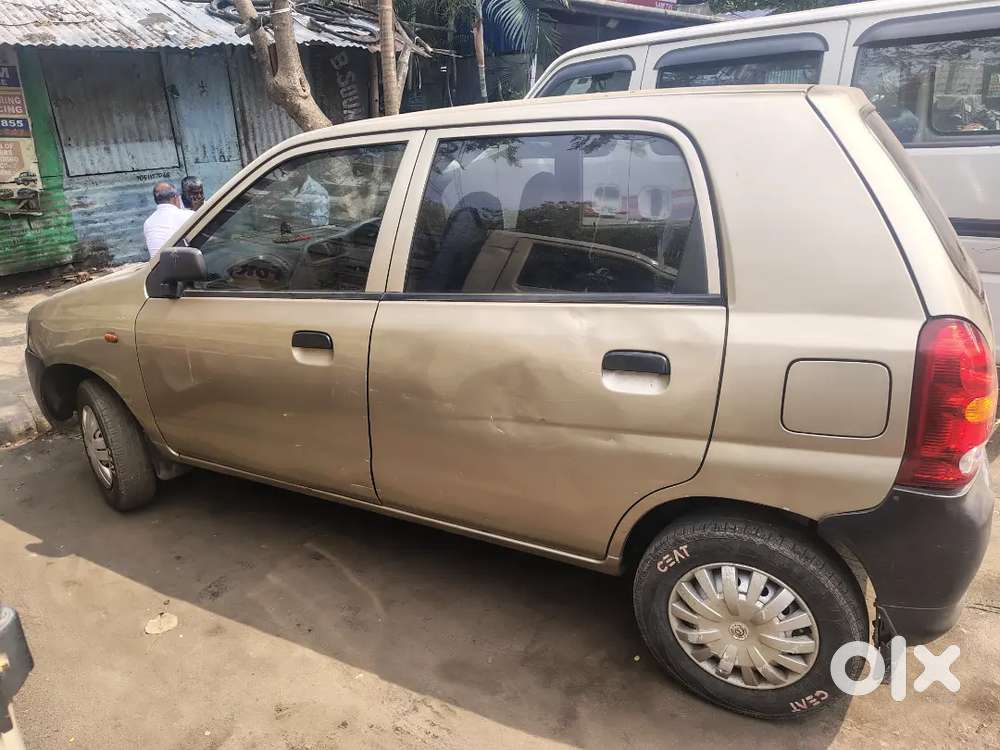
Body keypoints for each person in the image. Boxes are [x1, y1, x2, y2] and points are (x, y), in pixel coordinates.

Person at [143, 182, 193, 259]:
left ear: (156, 201)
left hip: (160, 269)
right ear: (175, 197)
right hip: (184, 266)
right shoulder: (188, 215)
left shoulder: (148, 223)